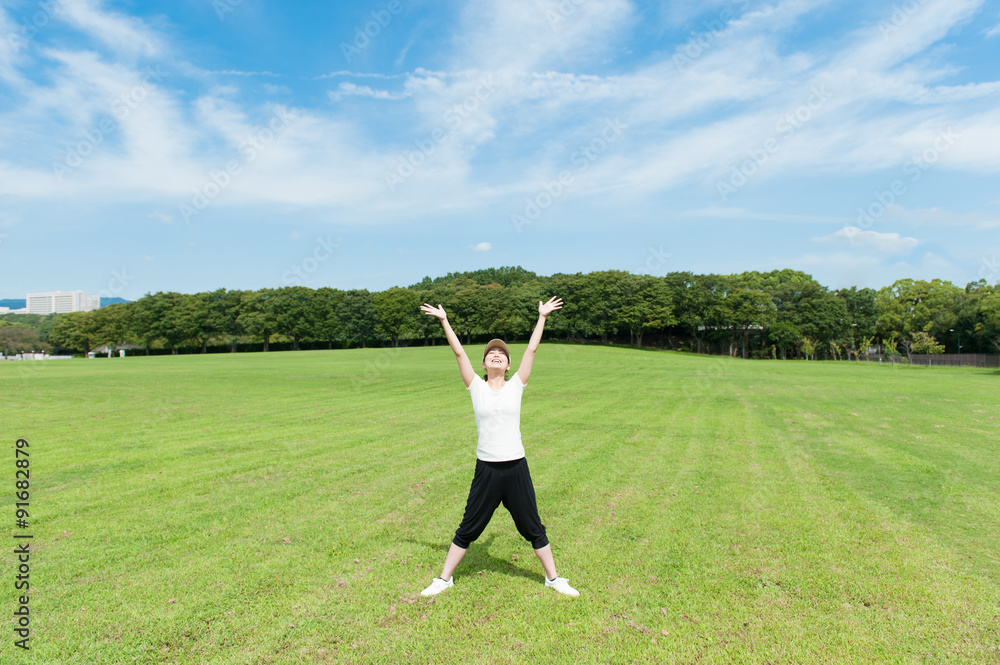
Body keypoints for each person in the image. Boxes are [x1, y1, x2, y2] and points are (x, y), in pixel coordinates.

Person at [418, 296, 579, 597]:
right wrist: (444, 321)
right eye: (490, 353)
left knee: (533, 526)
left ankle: (554, 579)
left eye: (501, 354)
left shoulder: (517, 385)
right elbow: (458, 353)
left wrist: (542, 316)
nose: (496, 355)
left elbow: (531, 349)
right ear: (484, 364)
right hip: (488, 470)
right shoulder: (475, 387)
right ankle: (444, 579)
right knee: (469, 526)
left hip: (516, 467)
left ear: (507, 365)